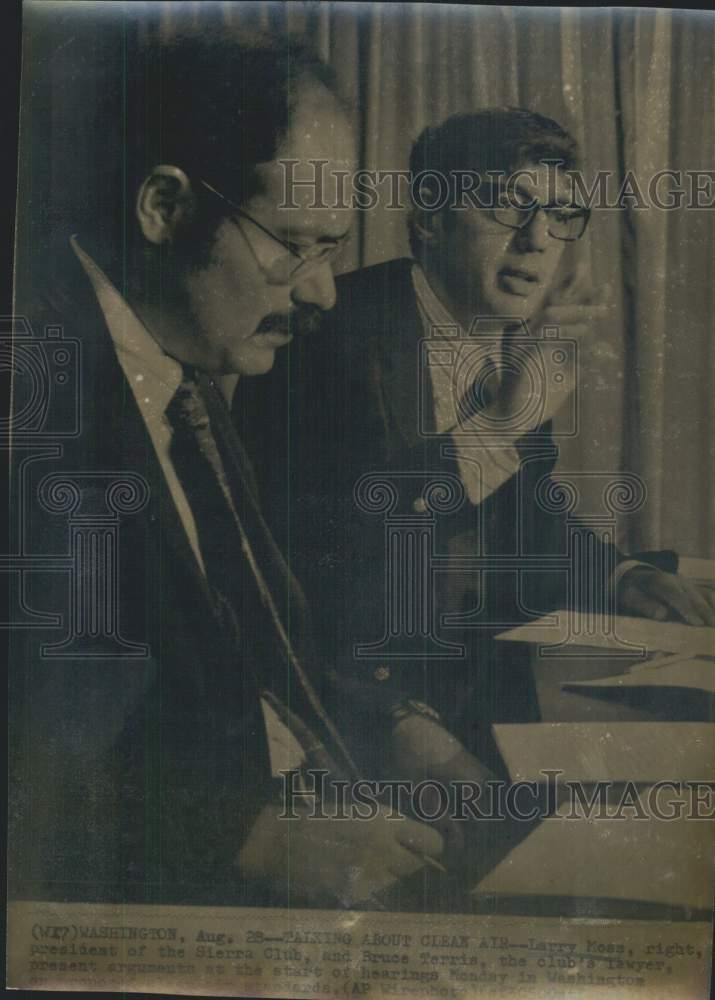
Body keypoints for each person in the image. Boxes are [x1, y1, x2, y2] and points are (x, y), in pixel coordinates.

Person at [8, 32, 489, 912]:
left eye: (333, 250)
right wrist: (247, 833)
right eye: (295, 246)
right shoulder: (29, 390)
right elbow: (34, 752)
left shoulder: (182, 370)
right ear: (162, 206)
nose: (321, 293)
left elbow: (252, 650)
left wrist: (393, 726)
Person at [243, 108, 715, 767]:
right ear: (430, 221)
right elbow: (321, 556)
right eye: (506, 206)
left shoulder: (514, 341)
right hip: (350, 721)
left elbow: (520, 513)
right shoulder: (326, 334)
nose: (536, 241)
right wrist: (501, 426)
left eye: (559, 215)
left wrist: (618, 574)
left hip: (479, 708)